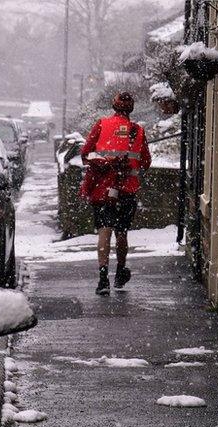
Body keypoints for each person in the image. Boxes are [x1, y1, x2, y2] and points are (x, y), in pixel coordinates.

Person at [79, 92, 152, 295]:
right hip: (126, 189)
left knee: (104, 230)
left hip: (103, 189)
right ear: (131, 109)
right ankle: (120, 273)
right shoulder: (137, 131)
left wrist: (104, 161)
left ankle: (103, 279)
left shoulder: (102, 124)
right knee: (122, 232)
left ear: (114, 107)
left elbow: (86, 153)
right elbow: (146, 162)